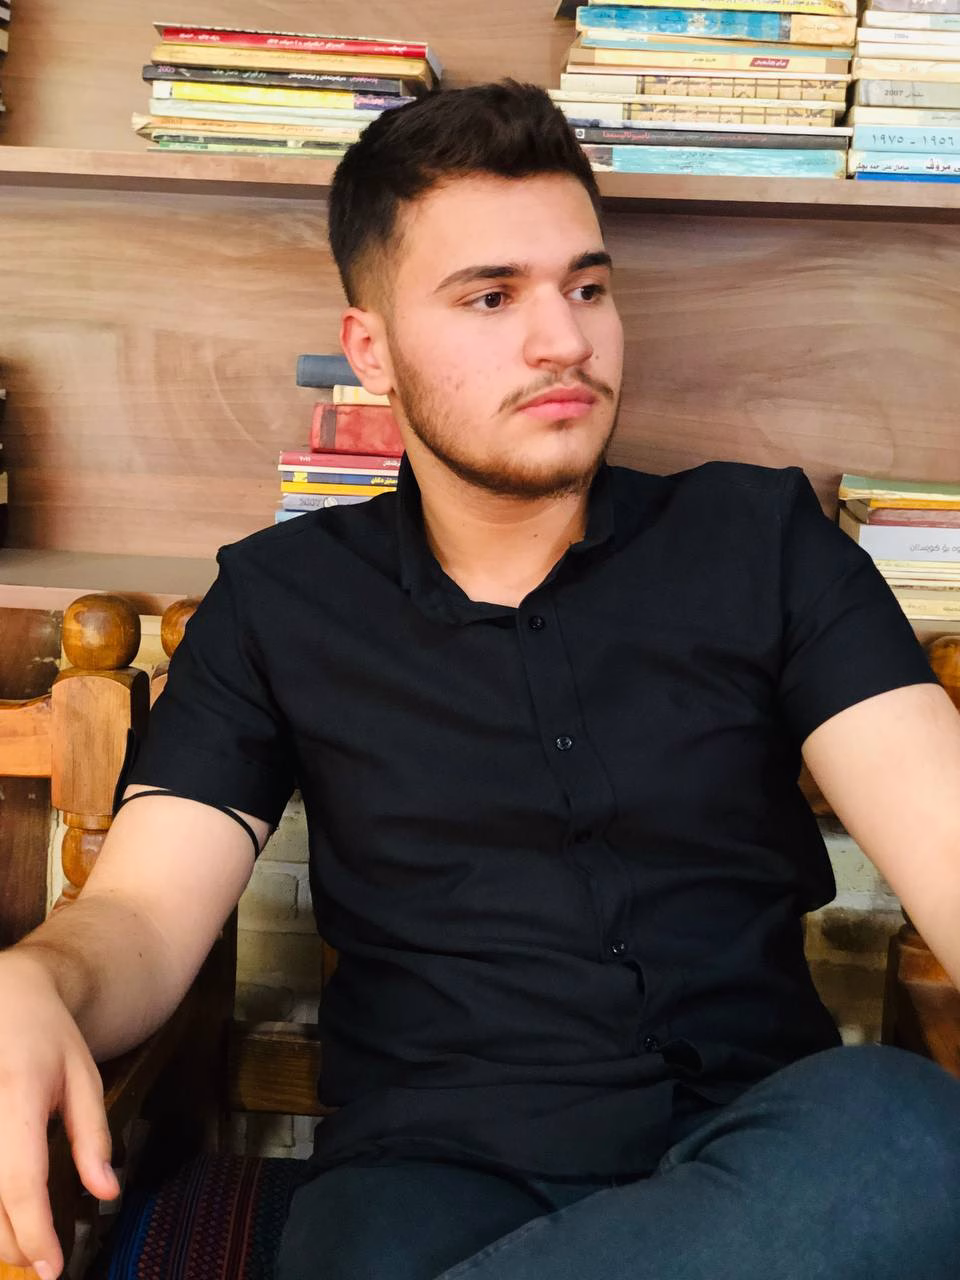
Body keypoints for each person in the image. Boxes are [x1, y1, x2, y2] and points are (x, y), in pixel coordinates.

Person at [2, 80, 960, 1280]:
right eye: (491, 295)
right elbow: (144, 915)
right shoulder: (281, 599)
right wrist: (36, 977)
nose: (564, 339)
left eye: (587, 287)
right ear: (372, 349)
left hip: (765, 1163)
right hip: (426, 1180)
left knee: (911, 1137)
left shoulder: (763, 542)